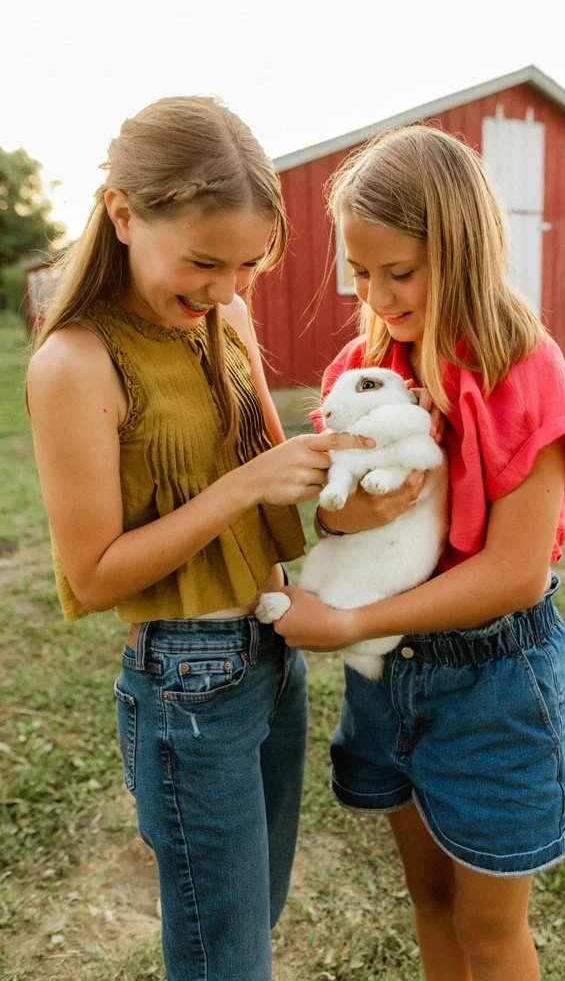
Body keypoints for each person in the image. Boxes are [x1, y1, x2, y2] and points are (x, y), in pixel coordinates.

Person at [25, 95, 386, 981]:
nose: (225, 289)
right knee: (224, 956)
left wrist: (360, 475)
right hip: (187, 682)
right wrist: (246, 485)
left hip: (274, 651)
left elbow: (286, 512)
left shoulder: (227, 321)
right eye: (201, 261)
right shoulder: (75, 363)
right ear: (121, 214)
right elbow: (95, 574)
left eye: (246, 265)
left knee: (252, 924)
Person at [272, 124, 565, 981]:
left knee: (489, 929)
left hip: (490, 684)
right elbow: (333, 523)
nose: (374, 296)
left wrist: (350, 623)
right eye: (360, 273)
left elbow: (515, 575)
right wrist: (351, 516)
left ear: (461, 247)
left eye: (397, 272)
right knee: (429, 899)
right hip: (389, 681)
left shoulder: (524, 369)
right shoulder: (365, 365)